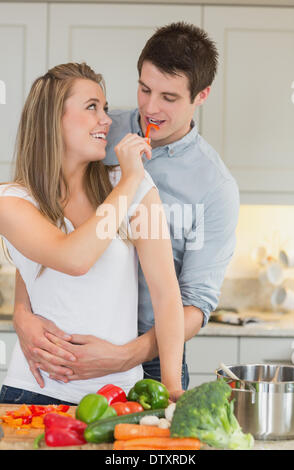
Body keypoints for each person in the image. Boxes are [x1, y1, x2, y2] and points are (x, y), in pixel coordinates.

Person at [12, 22, 240, 390]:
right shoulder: (97, 132)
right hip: (65, 345)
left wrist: (126, 354)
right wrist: (22, 313)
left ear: (201, 95)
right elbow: (45, 226)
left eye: (169, 97)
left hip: (151, 357)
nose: (151, 107)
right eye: (144, 88)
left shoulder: (216, 188)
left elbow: (192, 303)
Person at [0, 62, 185, 405]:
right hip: (35, 394)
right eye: (92, 108)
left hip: (120, 398)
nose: (107, 120)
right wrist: (129, 179)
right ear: (53, 119)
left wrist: (173, 388)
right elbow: (74, 259)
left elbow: (166, 296)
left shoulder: (135, 187)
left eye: (105, 108)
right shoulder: (12, 202)